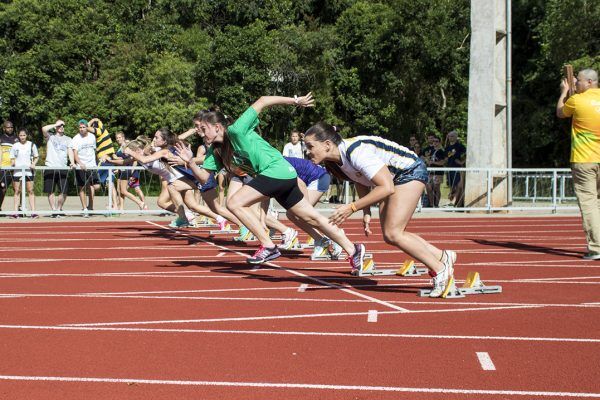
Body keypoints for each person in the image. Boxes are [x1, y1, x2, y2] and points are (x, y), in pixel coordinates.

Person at [175, 93, 366, 268]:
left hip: (276, 170)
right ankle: (353, 249)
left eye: (203, 129)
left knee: (233, 202)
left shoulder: (236, 130)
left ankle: (268, 245)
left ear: (217, 127)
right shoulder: (215, 151)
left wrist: (295, 101)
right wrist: (190, 161)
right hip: (280, 176)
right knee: (311, 217)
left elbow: (263, 100)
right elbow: (205, 177)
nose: (201, 133)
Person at [303, 122, 456, 298]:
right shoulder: (336, 161)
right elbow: (359, 179)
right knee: (391, 235)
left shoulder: (355, 151)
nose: (307, 151)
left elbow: (386, 187)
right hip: (393, 179)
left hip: (409, 171)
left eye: (310, 146)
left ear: (327, 144)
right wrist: (366, 211)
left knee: (393, 233)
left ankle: (440, 269)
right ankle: (443, 256)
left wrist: (352, 207)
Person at [556, 68, 600, 260]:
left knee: (589, 204)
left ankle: (597, 247)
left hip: (584, 159)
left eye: (579, 81)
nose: (577, 84)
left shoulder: (577, 100)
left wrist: (564, 92)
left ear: (590, 82)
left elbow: (560, 112)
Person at [41, 119, 73, 216]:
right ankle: (54, 210)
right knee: (50, 190)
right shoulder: (50, 137)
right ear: (56, 127)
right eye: (60, 125)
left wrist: (72, 162)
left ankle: (59, 209)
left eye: (63, 125)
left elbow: (70, 151)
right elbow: (44, 129)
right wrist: (56, 124)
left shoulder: (68, 139)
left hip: (62, 167)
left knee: (64, 190)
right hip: (50, 166)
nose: (62, 126)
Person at [69, 119, 100, 216]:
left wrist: (97, 162)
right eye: (80, 127)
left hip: (91, 165)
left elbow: (94, 151)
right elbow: (75, 154)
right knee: (82, 187)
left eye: (84, 127)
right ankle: (85, 208)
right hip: (80, 166)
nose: (82, 129)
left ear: (87, 127)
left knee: (95, 186)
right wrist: (80, 163)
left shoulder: (92, 137)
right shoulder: (76, 139)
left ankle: (91, 206)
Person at [9, 128, 39, 218]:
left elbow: (36, 156)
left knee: (30, 190)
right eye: (21, 135)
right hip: (17, 171)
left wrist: (33, 163)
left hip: (28, 171)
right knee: (17, 191)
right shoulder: (15, 145)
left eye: (24, 135)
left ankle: (33, 212)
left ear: (27, 135)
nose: (22, 137)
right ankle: (15, 212)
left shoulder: (31, 144)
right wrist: (13, 162)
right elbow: (12, 157)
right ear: (18, 136)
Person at [114, 131, 146, 211]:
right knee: (120, 190)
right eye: (117, 138)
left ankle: (141, 203)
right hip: (122, 171)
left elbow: (134, 159)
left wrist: (132, 172)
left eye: (120, 137)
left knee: (129, 190)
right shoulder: (120, 147)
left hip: (128, 171)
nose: (118, 139)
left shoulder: (127, 145)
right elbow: (123, 161)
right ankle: (121, 208)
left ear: (123, 137)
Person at [444, 130, 466, 207]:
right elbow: (446, 158)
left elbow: (467, 155)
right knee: (451, 187)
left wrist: (461, 162)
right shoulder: (447, 148)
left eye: (452, 136)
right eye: (449, 136)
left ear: (456, 137)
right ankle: (452, 202)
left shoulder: (460, 146)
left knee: (458, 186)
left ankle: (454, 202)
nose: (450, 137)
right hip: (449, 168)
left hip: (458, 169)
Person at [0, 120, 18, 212]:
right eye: (8, 127)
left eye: (11, 127)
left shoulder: (17, 139)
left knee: (18, 189)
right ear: (4, 128)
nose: (10, 128)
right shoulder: (1, 138)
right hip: (4, 168)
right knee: (2, 189)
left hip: (15, 168)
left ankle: (19, 208)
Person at [424, 135, 446, 207]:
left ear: (439, 142)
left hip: (438, 172)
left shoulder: (442, 151)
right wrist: (427, 160)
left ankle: (436, 204)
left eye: (436, 141)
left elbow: (442, 162)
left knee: (436, 188)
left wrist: (433, 162)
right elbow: (427, 160)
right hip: (430, 172)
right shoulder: (431, 151)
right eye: (433, 141)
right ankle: (431, 204)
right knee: (429, 188)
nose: (435, 143)